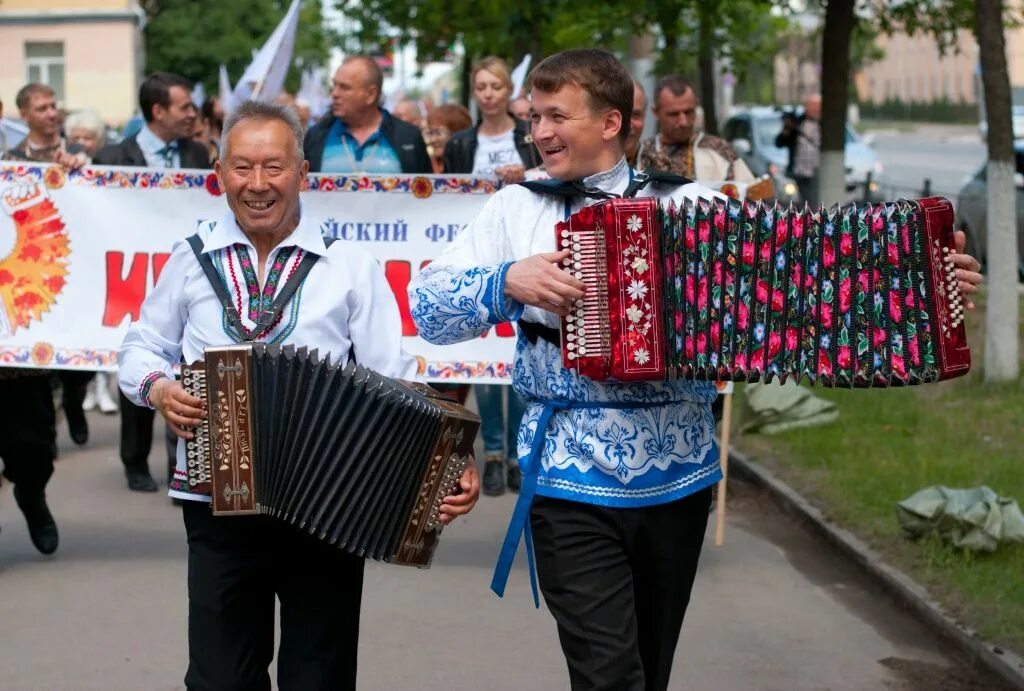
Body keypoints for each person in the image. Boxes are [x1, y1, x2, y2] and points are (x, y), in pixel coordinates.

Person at [409, 49, 984, 691]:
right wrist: (505, 282)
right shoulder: (515, 210)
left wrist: (927, 284)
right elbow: (428, 309)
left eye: (555, 116)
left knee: (651, 673)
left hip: (679, 478)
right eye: (535, 116)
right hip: (566, 478)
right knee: (609, 678)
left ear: (611, 123)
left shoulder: (695, 206)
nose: (539, 131)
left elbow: (812, 288)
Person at [117, 100, 479, 690]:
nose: (257, 185)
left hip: (330, 505)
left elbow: (397, 375)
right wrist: (157, 388)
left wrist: (450, 457)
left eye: (274, 167)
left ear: (303, 174)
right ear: (219, 173)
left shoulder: (350, 264)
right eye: (241, 168)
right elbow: (141, 346)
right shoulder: (192, 257)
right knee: (219, 676)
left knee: (320, 675)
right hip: (216, 500)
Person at [94, 71, 212, 492]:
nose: (192, 113)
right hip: (132, 275)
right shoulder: (112, 155)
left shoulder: (198, 153)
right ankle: (134, 461)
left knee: (184, 373)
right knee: (142, 362)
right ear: (157, 110)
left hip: (185, 277)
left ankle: (180, 466)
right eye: (184, 106)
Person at [441, 56, 542, 496]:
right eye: (480, 86)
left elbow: (546, 179)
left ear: (507, 91)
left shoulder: (527, 138)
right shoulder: (462, 142)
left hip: (520, 253)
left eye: (495, 86)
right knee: (484, 362)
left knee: (515, 356)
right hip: (478, 257)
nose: (487, 94)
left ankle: (519, 453)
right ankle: (495, 452)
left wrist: (526, 174)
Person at [304, 55, 431, 174]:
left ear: (371, 94)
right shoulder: (315, 136)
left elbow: (426, 193)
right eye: (335, 85)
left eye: (344, 87)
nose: (335, 94)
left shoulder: (408, 138)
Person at [637, 74, 754, 182]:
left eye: (688, 112)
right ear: (656, 112)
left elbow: (752, 195)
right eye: (674, 114)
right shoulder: (642, 153)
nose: (683, 122)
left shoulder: (720, 150)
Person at [776, 93, 821, 206]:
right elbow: (779, 142)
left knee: (815, 201)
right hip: (798, 171)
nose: (815, 110)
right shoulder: (798, 123)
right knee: (798, 202)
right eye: (812, 107)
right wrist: (787, 129)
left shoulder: (825, 124)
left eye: (818, 107)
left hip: (818, 171)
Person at [423, 103, 472, 174]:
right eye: (431, 133)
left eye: (438, 133)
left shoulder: (473, 165)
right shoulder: (426, 166)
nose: (433, 140)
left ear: (458, 133)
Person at [625, 79, 647, 168]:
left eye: (636, 115)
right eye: (622, 114)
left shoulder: (662, 165)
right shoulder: (583, 168)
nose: (629, 125)